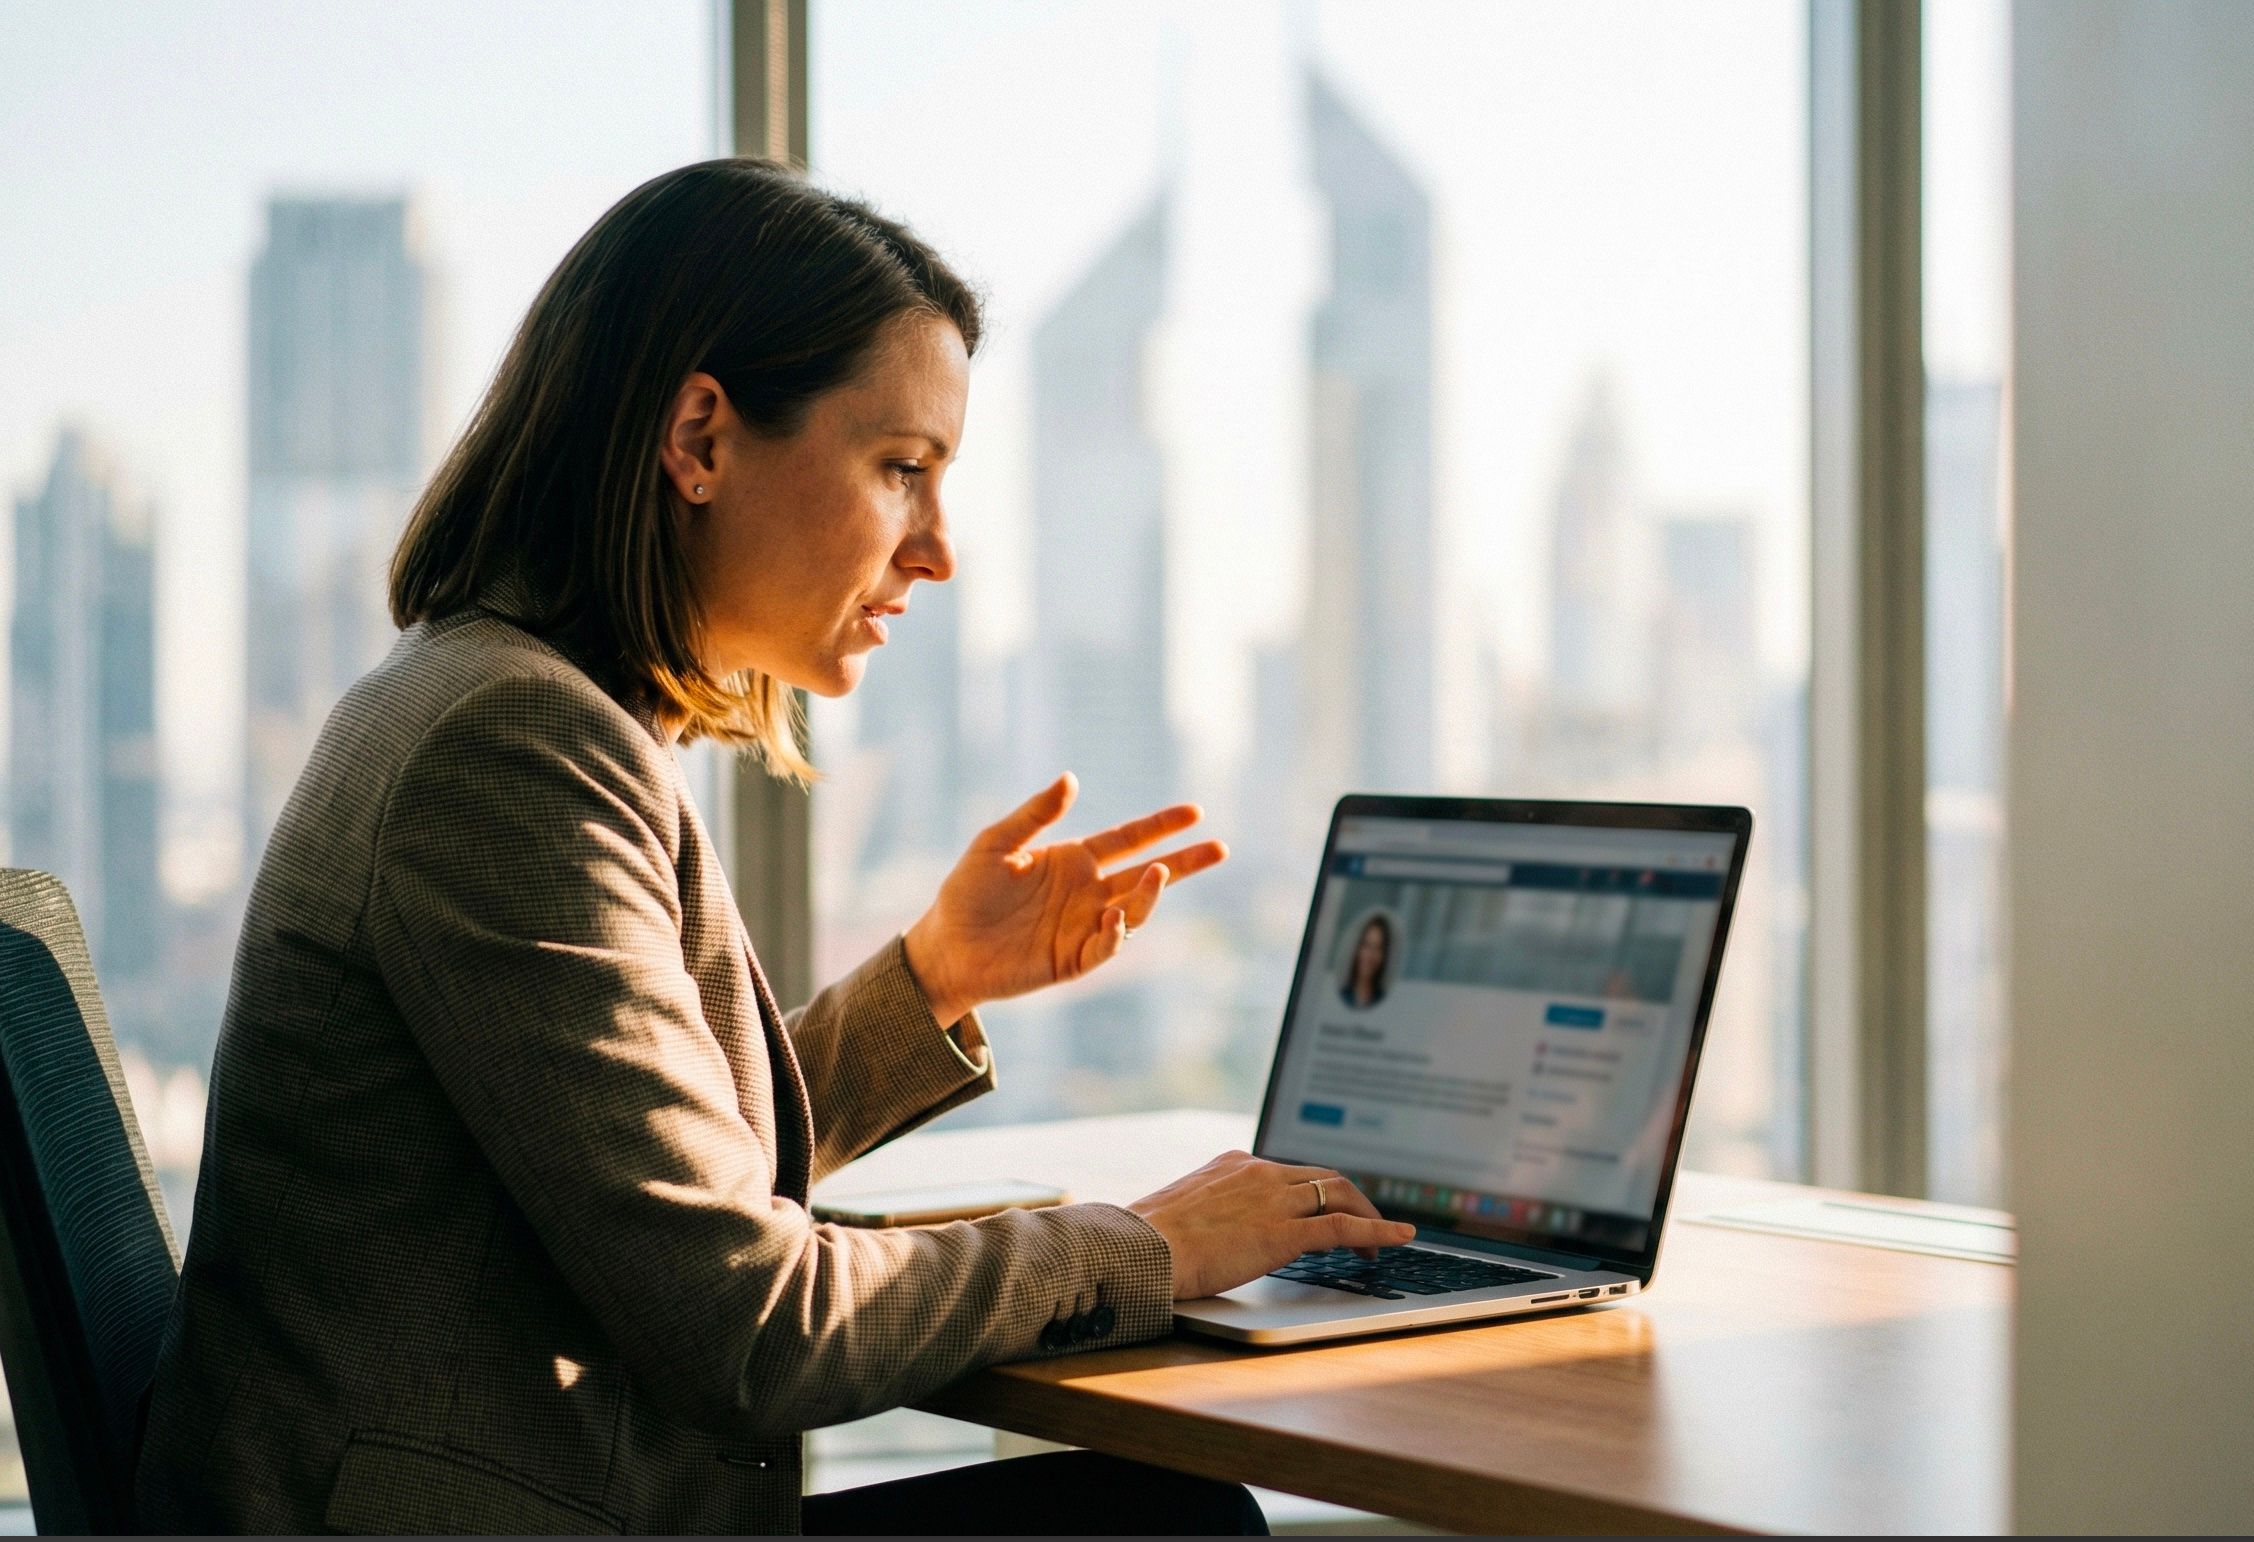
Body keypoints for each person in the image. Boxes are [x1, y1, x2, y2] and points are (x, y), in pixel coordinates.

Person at [132, 159, 1412, 1536]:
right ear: (699, 439)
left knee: (1154, 1514)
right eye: (902, 470)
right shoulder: (509, 749)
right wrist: (1143, 1247)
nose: (937, 551)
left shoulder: (510, 704)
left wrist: (931, 977)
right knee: (1165, 1524)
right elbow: (746, 1321)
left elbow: (663, 1178)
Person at [1340, 914, 1395, 1009]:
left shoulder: (1384, 1001)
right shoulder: (1342, 996)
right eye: (1366, 945)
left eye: (1378, 948)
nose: (1370, 955)